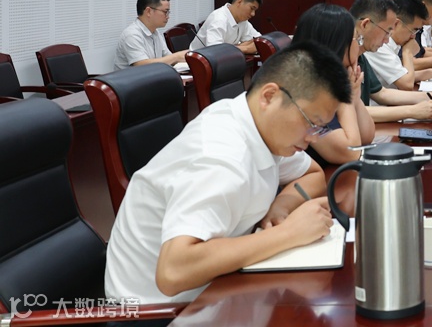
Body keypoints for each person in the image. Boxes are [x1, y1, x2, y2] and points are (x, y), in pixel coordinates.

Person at [104, 42, 350, 305]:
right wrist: (288, 233)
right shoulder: (220, 157)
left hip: (216, 286)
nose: (313, 138)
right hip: (158, 310)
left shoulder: (260, 125)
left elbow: (312, 174)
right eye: (311, 122)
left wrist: (280, 207)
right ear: (269, 96)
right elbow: (173, 272)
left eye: (320, 128)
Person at [349, 0, 432, 122]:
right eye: (387, 31)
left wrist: (430, 96)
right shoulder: (340, 58)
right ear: (365, 25)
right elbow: (353, 112)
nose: (387, 40)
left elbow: (381, 93)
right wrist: (412, 111)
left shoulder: (360, 56)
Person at [291, 3, 377, 162]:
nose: (359, 46)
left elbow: (367, 136)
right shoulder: (303, 89)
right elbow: (350, 153)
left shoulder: (333, 78)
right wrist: (347, 98)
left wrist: (354, 97)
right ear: (337, 44)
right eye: (357, 39)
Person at [366, 0, 432, 91]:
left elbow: (402, 75)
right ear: (396, 24)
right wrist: (408, 53)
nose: (413, 36)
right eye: (413, 30)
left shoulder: (394, 44)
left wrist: (431, 73)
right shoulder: (379, 46)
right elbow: (407, 84)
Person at [114, 0, 189, 70]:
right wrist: (176, 56)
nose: (168, 16)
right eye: (165, 12)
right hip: (136, 78)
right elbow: (143, 66)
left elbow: (168, 58)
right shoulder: (131, 35)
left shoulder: (155, 32)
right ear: (149, 11)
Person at [191, 0, 262, 54]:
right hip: (197, 60)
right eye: (252, 8)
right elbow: (215, 51)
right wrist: (246, 48)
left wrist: (238, 47)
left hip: (225, 59)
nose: (253, 14)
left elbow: (259, 40)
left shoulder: (243, 20)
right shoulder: (218, 18)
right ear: (239, 2)